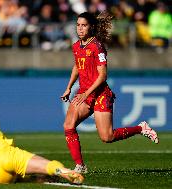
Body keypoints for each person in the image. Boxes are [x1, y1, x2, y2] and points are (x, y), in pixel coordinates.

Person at [60, 12, 159, 174]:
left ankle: (141, 128)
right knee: (68, 126)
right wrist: (69, 87)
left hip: (100, 94)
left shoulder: (97, 46)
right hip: (84, 94)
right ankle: (80, 166)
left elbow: (102, 76)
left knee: (107, 137)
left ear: (91, 27)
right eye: (78, 25)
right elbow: (77, 66)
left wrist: (86, 93)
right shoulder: (77, 46)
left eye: (83, 25)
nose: (80, 28)